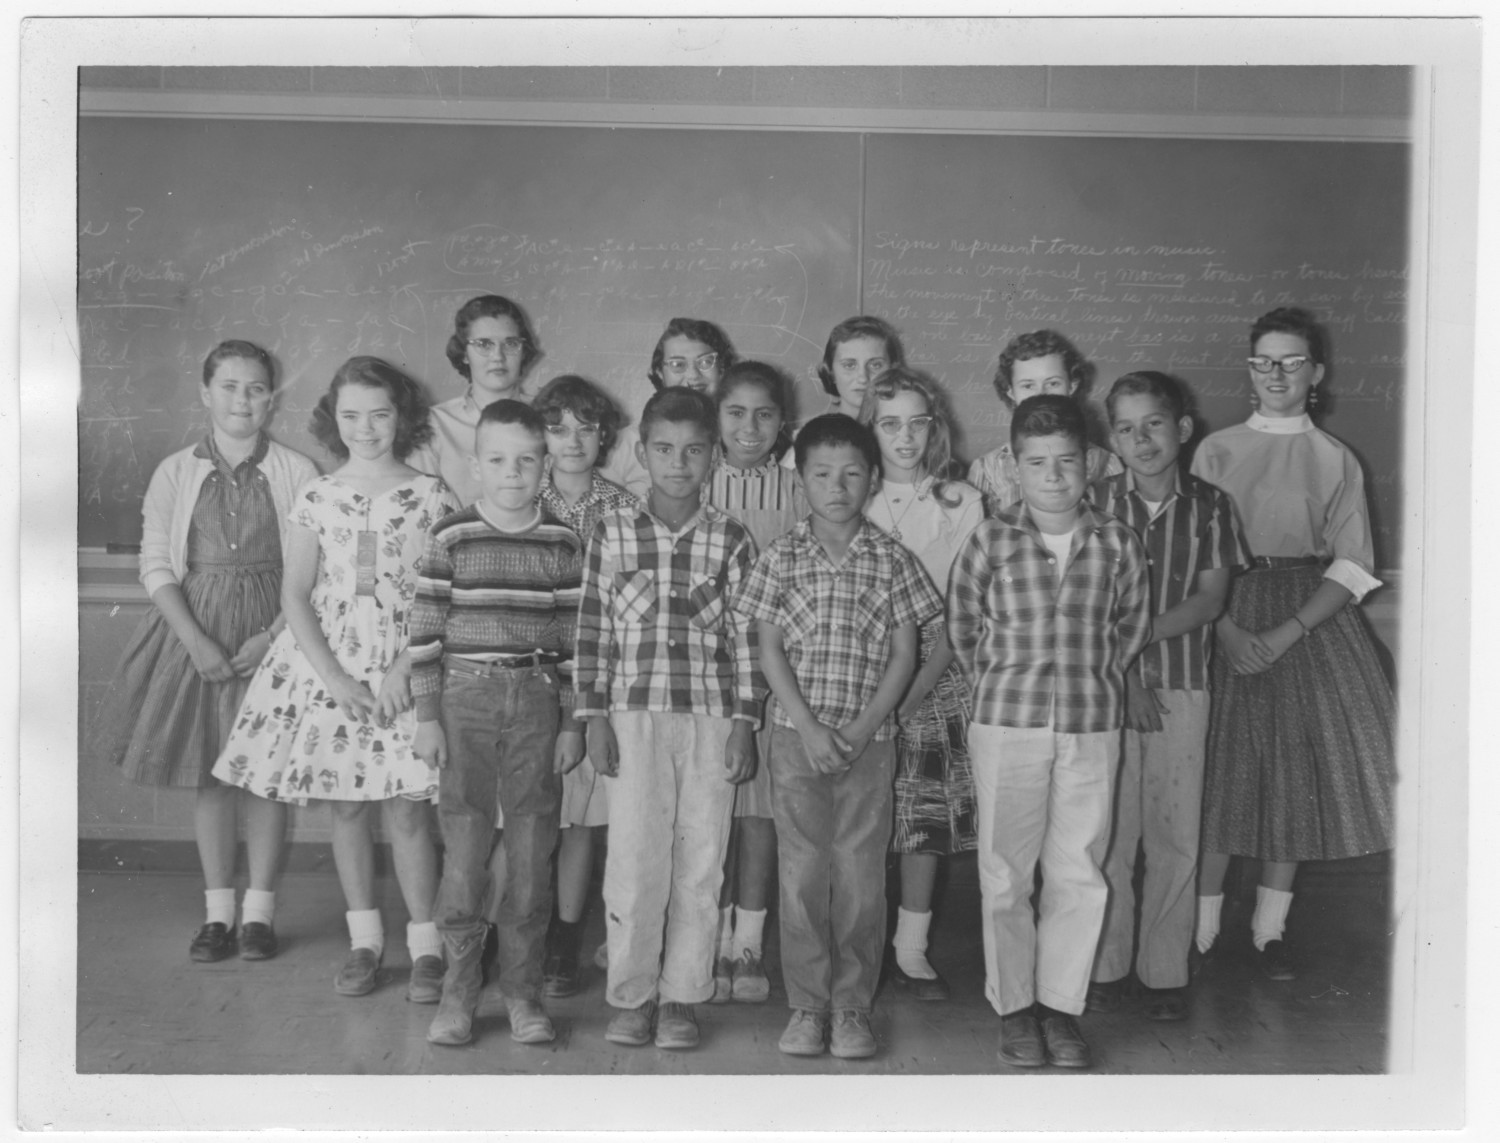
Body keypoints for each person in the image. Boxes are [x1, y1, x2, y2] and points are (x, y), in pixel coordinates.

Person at [213, 357, 460, 1001]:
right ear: (334, 418)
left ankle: (427, 946)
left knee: (409, 813)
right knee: (348, 807)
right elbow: (296, 596)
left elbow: (441, 591)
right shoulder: (318, 494)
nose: (366, 427)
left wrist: (408, 665)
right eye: (351, 415)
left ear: (401, 416)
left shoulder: (432, 493)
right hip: (331, 668)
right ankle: (364, 941)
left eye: (379, 414)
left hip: (409, 663)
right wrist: (336, 681)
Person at [1189, 307, 1396, 982]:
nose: (1277, 374)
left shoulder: (1335, 458)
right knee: (1223, 767)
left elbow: (1352, 561)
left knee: (1295, 769)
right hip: (1228, 609)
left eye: (1292, 361)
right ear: (1249, 371)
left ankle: (1269, 928)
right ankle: (1200, 924)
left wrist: (1287, 632)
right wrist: (1225, 628)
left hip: (1308, 618)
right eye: (1264, 361)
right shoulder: (1217, 449)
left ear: (1317, 373)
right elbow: (1195, 554)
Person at [97, 340, 317, 962]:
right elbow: (156, 563)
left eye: (254, 388)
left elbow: (315, 569)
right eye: (229, 386)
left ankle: (259, 916)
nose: (242, 399)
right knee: (214, 776)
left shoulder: (298, 470)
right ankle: (218, 912)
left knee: (267, 776)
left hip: (277, 628)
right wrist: (195, 641)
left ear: (271, 398)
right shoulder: (176, 470)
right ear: (206, 393)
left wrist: (272, 636)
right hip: (199, 628)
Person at [948, 394, 1151, 1070]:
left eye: (1067, 461)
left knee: (1079, 869)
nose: (1055, 476)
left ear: (1091, 461)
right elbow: (965, 626)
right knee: (1005, 872)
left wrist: (1091, 680)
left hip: (1091, 722)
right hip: (1008, 721)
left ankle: (1061, 1007)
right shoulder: (992, 538)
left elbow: (1129, 628)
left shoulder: (1117, 541)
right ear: (1015, 465)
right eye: (1038, 463)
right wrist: (1004, 684)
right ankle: (1014, 1010)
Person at [732, 413, 941, 1060]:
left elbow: (906, 655)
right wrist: (812, 725)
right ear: (801, 480)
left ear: (873, 479)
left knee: (858, 875)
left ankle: (851, 1006)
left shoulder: (892, 558)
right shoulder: (782, 555)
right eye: (822, 473)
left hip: (868, 744)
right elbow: (768, 648)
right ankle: (806, 1006)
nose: (837, 485)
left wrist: (860, 727)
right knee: (800, 875)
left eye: (852, 473)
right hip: (797, 739)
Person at [574, 386, 763, 1051]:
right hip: (632, 718)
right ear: (641, 451)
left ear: (713, 455)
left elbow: (745, 639)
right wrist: (592, 715)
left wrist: (745, 721)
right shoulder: (612, 531)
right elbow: (592, 629)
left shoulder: (731, 538)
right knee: (632, 857)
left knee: (701, 856)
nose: (678, 463)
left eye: (692, 450)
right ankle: (632, 993)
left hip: (710, 719)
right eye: (663, 449)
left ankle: (683, 993)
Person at [408, 399, 585, 1047]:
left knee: (534, 853)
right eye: (498, 459)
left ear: (545, 463)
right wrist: (428, 716)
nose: (513, 472)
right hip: (464, 701)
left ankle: (522, 991)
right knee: (464, 853)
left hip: (537, 699)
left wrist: (572, 721)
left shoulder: (562, 540)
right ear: (476, 463)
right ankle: (459, 991)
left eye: (527, 459)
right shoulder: (452, 534)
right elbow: (424, 632)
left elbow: (573, 639)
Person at [1085, 371, 1250, 1022]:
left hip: (1183, 685)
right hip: (1105, 692)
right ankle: (1107, 966)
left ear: (1182, 429)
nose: (1141, 438)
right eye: (1125, 428)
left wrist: (1143, 637)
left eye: (1153, 423)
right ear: (1112, 440)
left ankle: (1164, 973)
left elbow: (1210, 599)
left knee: (1176, 835)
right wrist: (1126, 676)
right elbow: (1085, 602)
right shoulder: (1095, 503)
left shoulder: (1211, 505)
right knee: (1110, 835)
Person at [857, 366, 984, 1001]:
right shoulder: (855, 493)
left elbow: (962, 615)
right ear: (869, 430)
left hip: (935, 668)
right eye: (888, 425)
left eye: (916, 423)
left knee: (922, 815)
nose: (904, 437)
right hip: (859, 660)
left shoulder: (960, 501)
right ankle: (862, 940)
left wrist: (910, 697)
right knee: (865, 811)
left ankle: (911, 946)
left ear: (933, 427)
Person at [529, 375, 638, 999]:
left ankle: (565, 936)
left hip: (593, 675)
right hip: (524, 674)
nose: (571, 441)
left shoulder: (623, 509)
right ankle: (510, 925)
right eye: (557, 427)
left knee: (580, 820)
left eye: (586, 429)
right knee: (518, 815)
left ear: (605, 437)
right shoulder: (519, 495)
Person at [705, 360, 807, 1004]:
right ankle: (707, 937)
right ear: (716, 419)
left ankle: (748, 942)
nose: (750, 427)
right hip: (704, 676)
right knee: (709, 813)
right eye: (736, 413)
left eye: (764, 414)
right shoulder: (695, 479)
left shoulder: (798, 490)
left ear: (783, 423)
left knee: (761, 817)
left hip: (775, 675)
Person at [967, 329, 1122, 516]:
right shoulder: (987, 470)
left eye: (1053, 383)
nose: (1041, 394)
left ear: (1072, 386)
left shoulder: (1107, 463)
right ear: (1010, 392)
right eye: (1027, 385)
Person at [411, 294, 542, 506]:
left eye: (510, 344)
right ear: (464, 353)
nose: (498, 356)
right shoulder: (435, 424)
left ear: (523, 351)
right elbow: (423, 509)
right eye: (484, 344)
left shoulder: (547, 414)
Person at [599, 317, 737, 499]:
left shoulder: (740, 440)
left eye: (705, 362)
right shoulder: (627, 443)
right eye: (677, 365)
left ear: (722, 369)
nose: (693, 375)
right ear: (659, 373)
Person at [780, 316, 905, 470]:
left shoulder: (908, 438)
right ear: (830, 372)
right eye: (849, 365)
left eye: (876, 365)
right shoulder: (808, 441)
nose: (863, 377)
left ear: (893, 370)